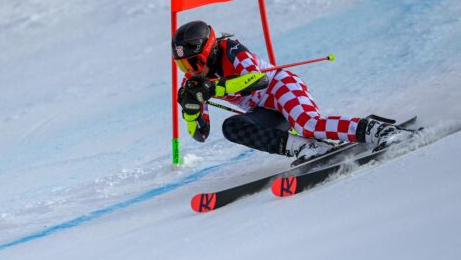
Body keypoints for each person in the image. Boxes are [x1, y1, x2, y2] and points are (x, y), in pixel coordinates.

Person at [172, 20, 411, 162]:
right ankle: (307, 147)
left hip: (281, 87)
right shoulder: (193, 84)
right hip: (264, 110)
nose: (191, 71)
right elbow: (200, 135)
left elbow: (258, 80)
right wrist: (191, 112)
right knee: (231, 127)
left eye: (194, 63)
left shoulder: (230, 49)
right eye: (183, 65)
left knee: (308, 124)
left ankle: (377, 130)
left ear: (210, 50)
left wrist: (215, 87)